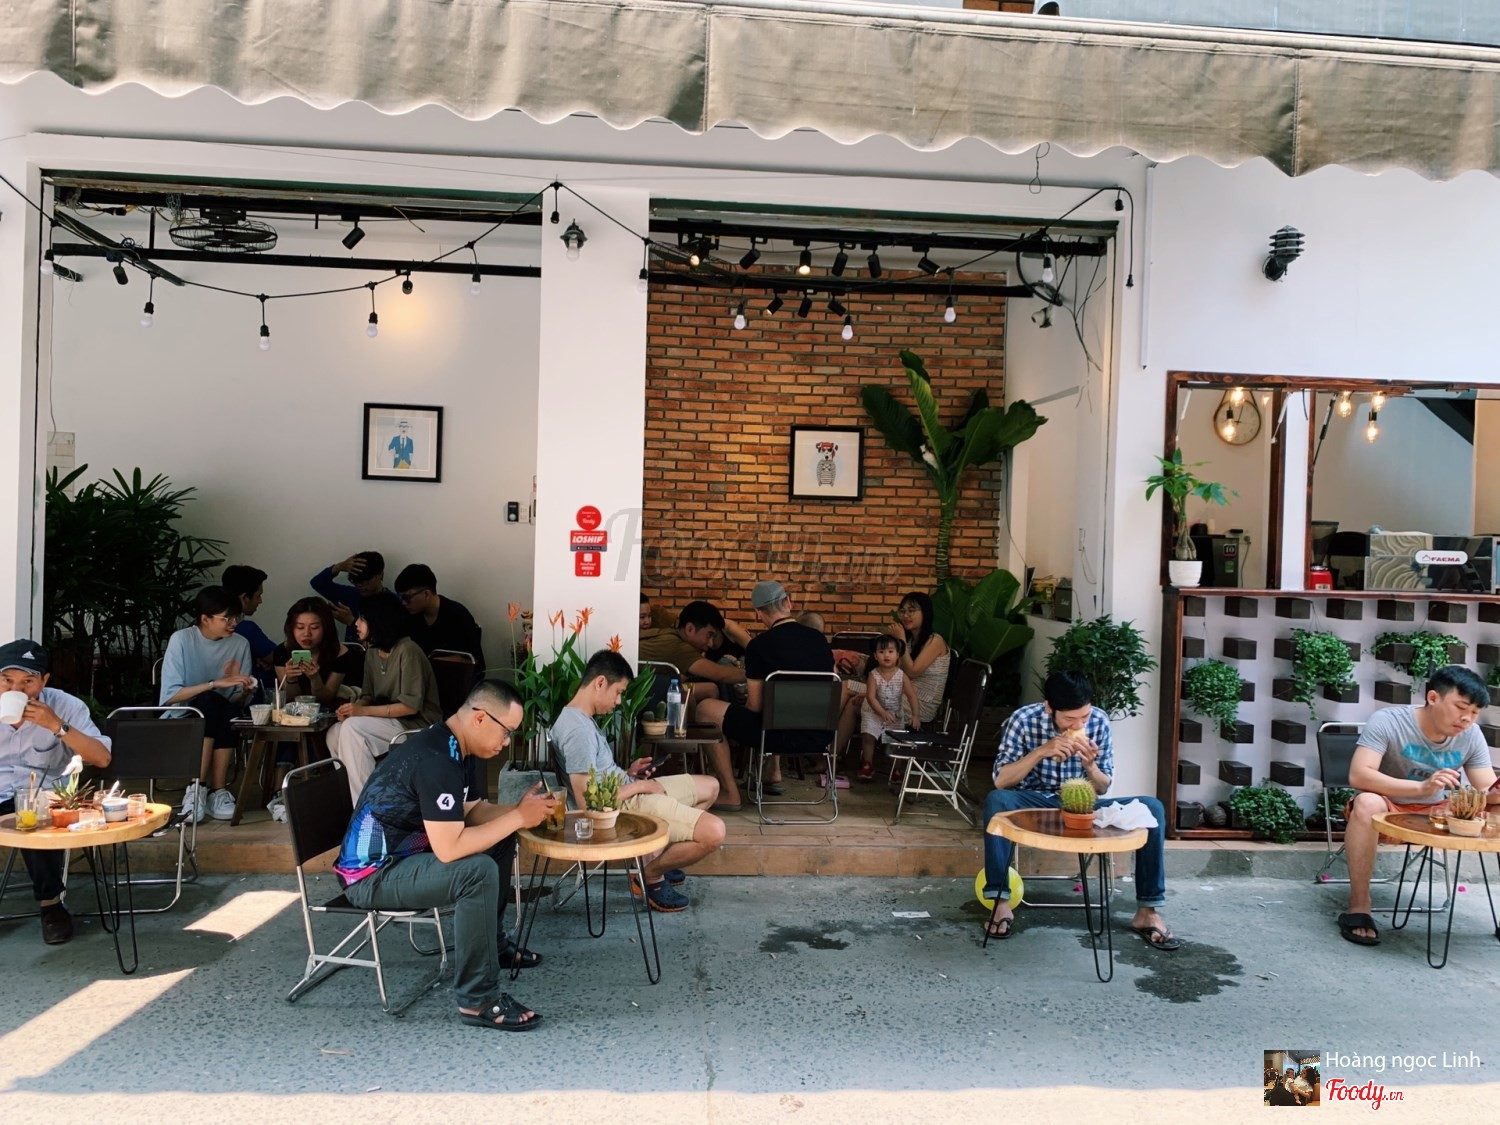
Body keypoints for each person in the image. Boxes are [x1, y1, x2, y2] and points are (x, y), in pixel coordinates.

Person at [334, 679, 556, 1030]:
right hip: (372, 875)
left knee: (499, 838)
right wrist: (517, 818)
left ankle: (492, 945)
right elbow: (450, 848)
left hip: (406, 860)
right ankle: (478, 999)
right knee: (477, 872)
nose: (506, 742)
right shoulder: (436, 759)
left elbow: (471, 813)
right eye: (507, 732)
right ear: (480, 718)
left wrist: (521, 811)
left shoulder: (457, 747)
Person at [982, 670, 1180, 949]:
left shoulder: (1098, 720)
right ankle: (1000, 902)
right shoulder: (1023, 719)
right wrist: (1041, 751)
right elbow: (1001, 780)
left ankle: (1147, 911)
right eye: (1069, 719)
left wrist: (1090, 766)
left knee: (1152, 808)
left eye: (1083, 717)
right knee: (996, 801)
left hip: (1085, 805)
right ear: (1049, 707)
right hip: (1036, 801)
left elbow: (1103, 787)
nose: (1078, 724)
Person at [553, 649, 725, 912]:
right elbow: (590, 803)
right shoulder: (578, 731)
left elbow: (597, 775)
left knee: (711, 787)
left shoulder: (579, 719)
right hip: (623, 805)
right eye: (618, 692)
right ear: (600, 683)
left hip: (626, 789)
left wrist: (629, 773)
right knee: (714, 832)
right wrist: (642, 786)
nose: (619, 701)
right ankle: (650, 875)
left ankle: (657, 858)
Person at [1339, 664, 1496, 946]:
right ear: (1433, 697)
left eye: (1474, 713)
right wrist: (1422, 788)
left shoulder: (1471, 735)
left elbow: (1486, 790)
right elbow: (1359, 775)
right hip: (1388, 809)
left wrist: (1495, 793)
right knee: (1367, 802)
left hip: (1440, 815)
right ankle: (1359, 906)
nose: (1467, 719)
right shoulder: (1389, 721)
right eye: (1461, 707)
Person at [0, 640, 112, 944]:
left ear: (44, 681)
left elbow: (102, 758)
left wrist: (57, 726)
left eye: (28, 682)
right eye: (6, 680)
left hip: (43, 795)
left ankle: (51, 906)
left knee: (36, 820)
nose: (16, 690)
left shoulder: (65, 706)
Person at [705, 580, 836, 796]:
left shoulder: (759, 646)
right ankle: (772, 771)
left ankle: (730, 793)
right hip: (820, 735)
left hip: (775, 737)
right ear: (788, 602)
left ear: (759, 613)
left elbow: (754, 706)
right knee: (778, 709)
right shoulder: (819, 640)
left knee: (707, 708)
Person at [326, 596, 443, 799]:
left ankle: (367, 806)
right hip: (386, 720)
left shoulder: (408, 650)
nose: (356, 623)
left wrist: (361, 712)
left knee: (353, 729)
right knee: (335, 732)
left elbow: (410, 706)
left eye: (362, 618)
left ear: (378, 621)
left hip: (415, 724)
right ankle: (358, 800)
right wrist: (352, 710)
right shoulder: (372, 652)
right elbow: (368, 695)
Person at [161, 585, 258, 823]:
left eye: (236, 617)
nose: (233, 623)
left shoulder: (240, 644)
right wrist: (214, 684)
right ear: (205, 618)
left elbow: (235, 699)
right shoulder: (182, 640)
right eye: (227, 618)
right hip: (184, 715)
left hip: (224, 714)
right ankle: (198, 788)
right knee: (209, 700)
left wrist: (245, 692)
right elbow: (170, 696)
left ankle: (216, 792)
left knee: (228, 707)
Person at [273, 598, 364, 709]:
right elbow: (290, 700)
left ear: (326, 628)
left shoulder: (340, 653)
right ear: (291, 628)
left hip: (331, 711)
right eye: (300, 627)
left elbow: (325, 700)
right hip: (293, 713)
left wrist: (315, 679)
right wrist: (291, 679)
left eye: (314, 627)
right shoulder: (282, 651)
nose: (307, 633)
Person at [393, 564, 485, 667]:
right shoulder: (409, 615)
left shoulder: (458, 616)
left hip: (450, 674)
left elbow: (477, 664)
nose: (403, 603)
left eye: (406, 598)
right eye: (400, 597)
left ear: (426, 594)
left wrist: (436, 662)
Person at [858, 635, 919, 781]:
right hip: (873, 712)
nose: (886, 655)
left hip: (894, 714)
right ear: (875, 656)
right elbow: (871, 697)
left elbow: (912, 696)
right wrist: (881, 712)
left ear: (897, 655)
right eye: (882, 651)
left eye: (891, 651)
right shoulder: (873, 675)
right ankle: (867, 764)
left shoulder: (902, 676)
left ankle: (896, 769)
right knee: (868, 736)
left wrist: (915, 715)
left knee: (895, 742)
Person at [886, 591, 950, 725]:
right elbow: (894, 671)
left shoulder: (935, 641)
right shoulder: (910, 642)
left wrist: (901, 639)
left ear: (925, 613)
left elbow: (912, 671)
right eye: (902, 611)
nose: (905, 615)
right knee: (847, 691)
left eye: (911, 611)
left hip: (921, 706)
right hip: (901, 695)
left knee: (857, 698)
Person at [309, 550, 400, 640]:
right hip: (350, 648)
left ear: (380, 574)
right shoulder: (352, 594)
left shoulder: (394, 602)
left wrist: (352, 622)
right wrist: (338, 567)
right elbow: (318, 583)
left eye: (365, 582)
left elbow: (387, 638)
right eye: (356, 582)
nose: (361, 587)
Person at [221, 564, 277, 697]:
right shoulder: (245, 629)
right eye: (258, 596)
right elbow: (278, 658)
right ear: (244, 598)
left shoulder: (205, 627)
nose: (260, 601)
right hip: (246, 698)